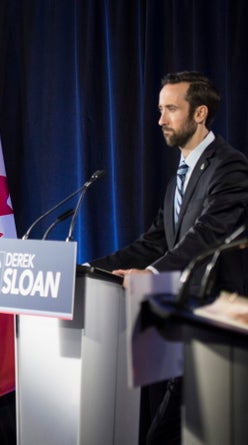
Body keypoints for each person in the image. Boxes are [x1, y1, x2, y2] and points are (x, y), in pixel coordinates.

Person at [90, 71, 248, 444]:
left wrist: (152, 273)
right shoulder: (180, 175)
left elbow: (209, 234)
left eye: (171, 109)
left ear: (199, 113)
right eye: (160, 109)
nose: (161, 119)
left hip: (219, 323)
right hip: (176, 323)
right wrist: (91, 270)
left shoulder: (229, 167)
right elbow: (155, 241)